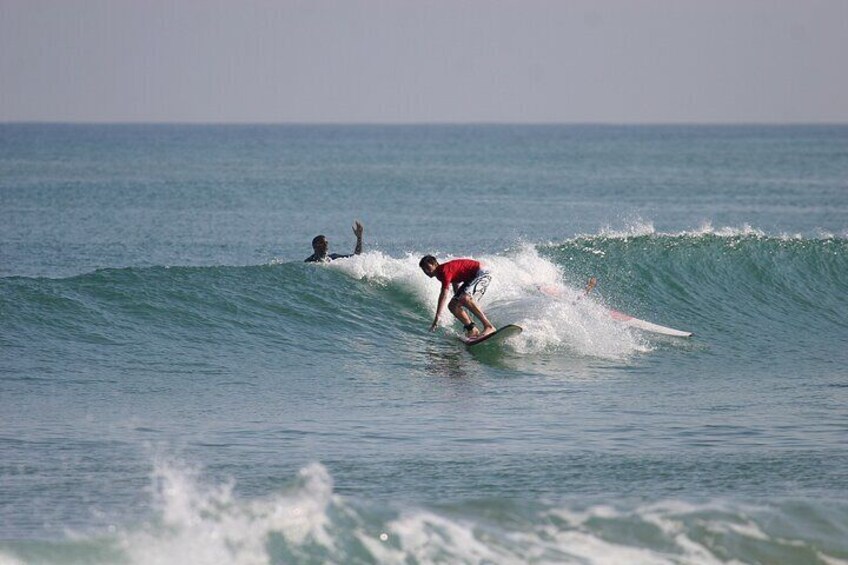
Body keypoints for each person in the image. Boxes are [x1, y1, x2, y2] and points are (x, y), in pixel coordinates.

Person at [419, 255, 496, 339]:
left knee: (465, 298)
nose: (426, 271)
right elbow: (455, 282)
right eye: (423, 270)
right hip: (471, 278)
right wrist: (458, 301)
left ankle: (489, 326)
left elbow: (444, 294)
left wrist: (437, 316)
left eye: (427, 267)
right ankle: (472, 330)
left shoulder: (444, 270)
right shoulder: (440, 274)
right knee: (452, 305)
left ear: (435, 264)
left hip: (482, 273)